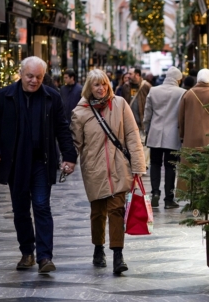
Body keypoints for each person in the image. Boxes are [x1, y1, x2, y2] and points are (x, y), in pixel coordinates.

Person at [0, 56, 77, 275]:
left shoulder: (51, 97)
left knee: (42, 206)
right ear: (21, 73)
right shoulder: (4, 96)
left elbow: (62, 129)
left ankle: (45, 257)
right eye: (30, 76)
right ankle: (27, 253)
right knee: (20, 210)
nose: (34, 81)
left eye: (38, 77)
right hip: (15, 163)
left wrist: (69, 156)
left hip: (41, 163)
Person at [70, 69, 146, 274]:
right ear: (89, 87)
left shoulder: (120, 104)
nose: (101, 88)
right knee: (97, 212)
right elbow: (75, 143)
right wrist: (68, 161)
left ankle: (118, 255)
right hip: (94, 169)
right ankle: (98, 248)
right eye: (96, 85)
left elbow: (132, 134)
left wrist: (138, 166)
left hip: (119, 166)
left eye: (104, 84)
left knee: (116, 210)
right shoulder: (80, 112)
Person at [177, 69, 209, 192]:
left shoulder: (188, 94)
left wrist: (182, 135)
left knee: (190, 165)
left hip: (190, 137)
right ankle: (208, 192)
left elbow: (181, 118)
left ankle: (191, 192)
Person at [143, 66, 186, 209]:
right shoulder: (182, 93)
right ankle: (169, 199)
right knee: (170, 166)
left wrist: (146, 129)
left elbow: (147, 113)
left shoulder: (154, 91)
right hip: (172, 135)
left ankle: (155, 192)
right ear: (178, 79)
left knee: (155, 164)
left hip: (155, 133)